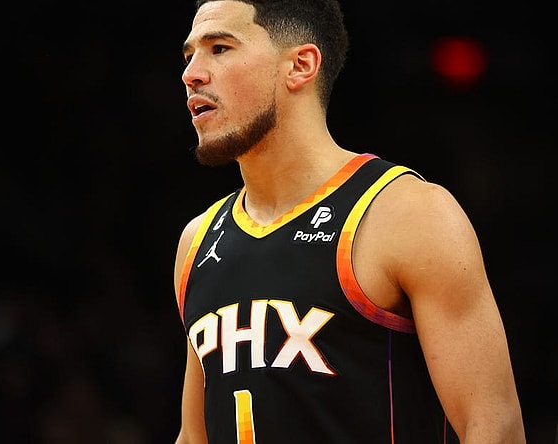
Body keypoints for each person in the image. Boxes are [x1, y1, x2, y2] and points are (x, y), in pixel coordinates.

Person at [171, 0, 526, 443]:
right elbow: (194, 435)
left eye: (220, 48)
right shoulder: (197, 240)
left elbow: (494, 427)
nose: (192, 74)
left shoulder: (407, 212)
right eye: (189, 56)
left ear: (301, 65)